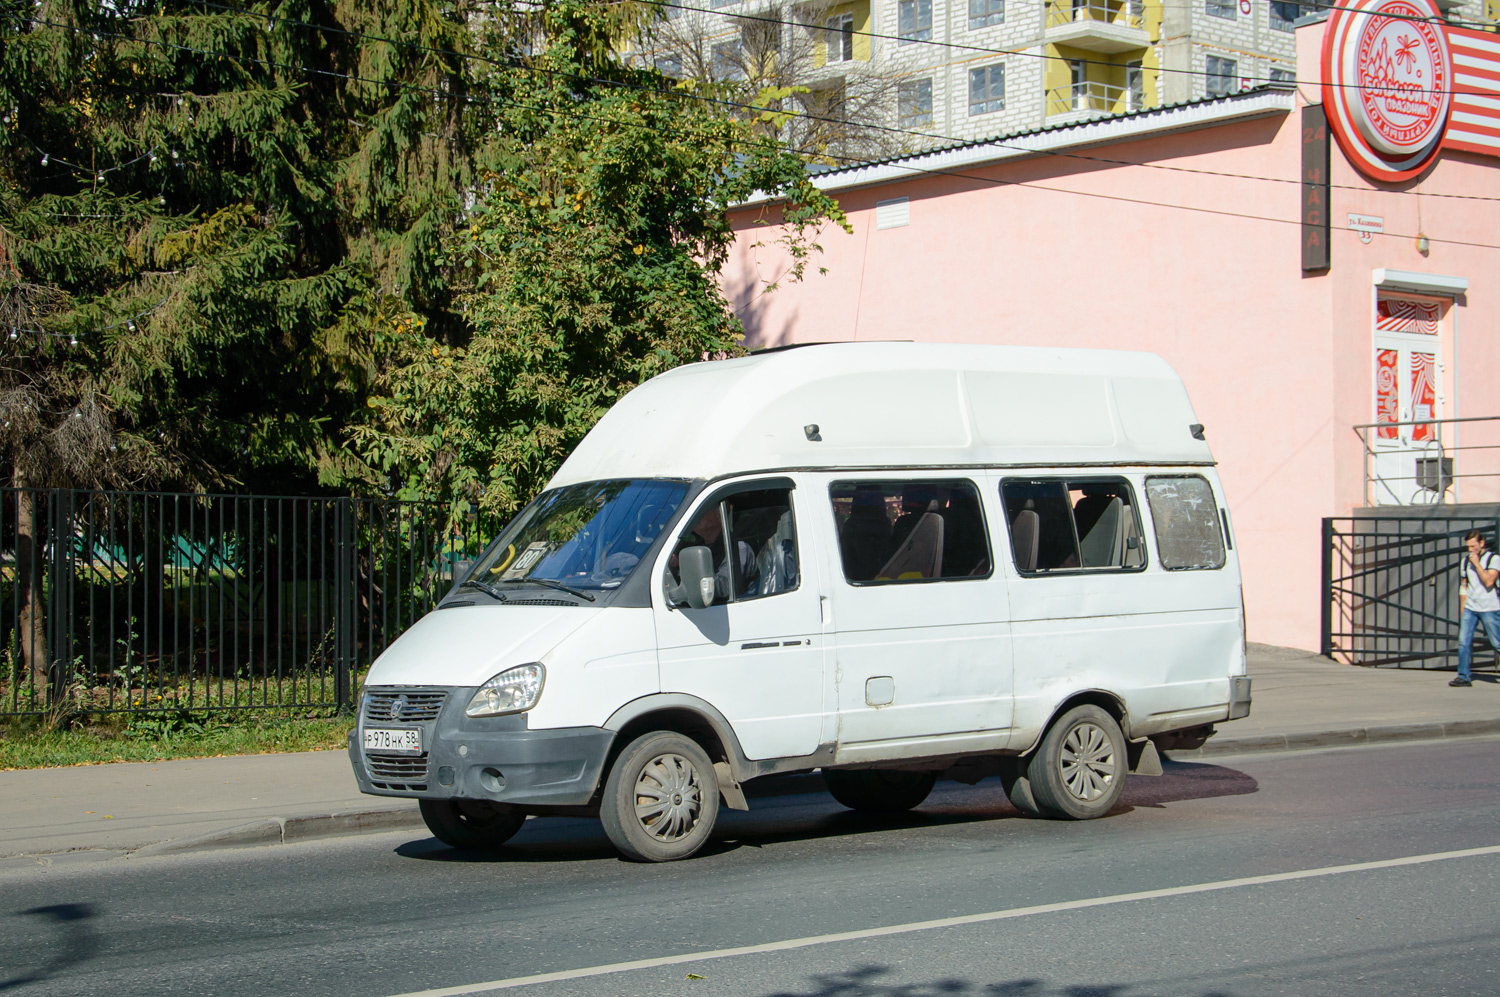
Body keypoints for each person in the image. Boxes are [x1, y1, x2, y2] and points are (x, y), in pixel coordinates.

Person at [671, 505, 756, 602]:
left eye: (701, 511)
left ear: (719, 515)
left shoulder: (738, 548)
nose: (695, 516)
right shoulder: (694, 546)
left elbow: (726, 587)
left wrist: (687, 569)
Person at [1453, 529, 1500, 687]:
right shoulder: (1465, 561)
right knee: (1463, 642)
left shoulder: (1494, 559)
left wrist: (1477, 563)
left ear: (1481, 543)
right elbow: (1463, 587)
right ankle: (1464, 676)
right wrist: (1463, 610)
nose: (1470, 550)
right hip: (1471, 607)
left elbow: (1489, 582)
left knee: (1497, 642)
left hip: (1490, 607)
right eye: (1468, 547)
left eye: (1473, 546)